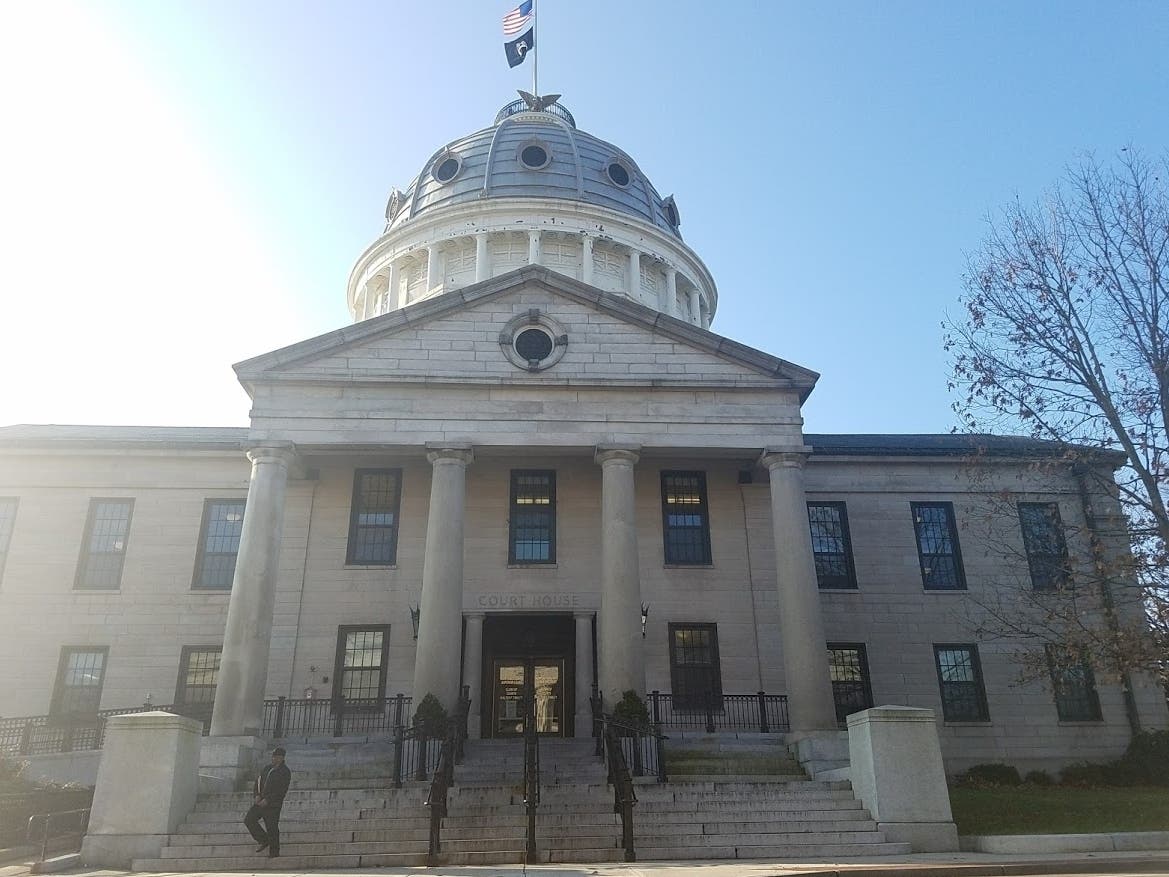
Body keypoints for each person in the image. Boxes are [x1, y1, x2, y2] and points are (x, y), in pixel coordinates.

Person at [244, 746, 292, 857]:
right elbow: (258, 782)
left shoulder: (285, 772)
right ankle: (264, 840)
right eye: (273, 756)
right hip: (260, 802)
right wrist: (256, 795)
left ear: (281, 758)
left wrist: (268, 799)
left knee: (272, 827)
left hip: (273, 805)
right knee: (249, 820)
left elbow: (281, 790)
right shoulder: (267, 768)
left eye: (276, 757)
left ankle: (274, 852)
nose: (274, 758)